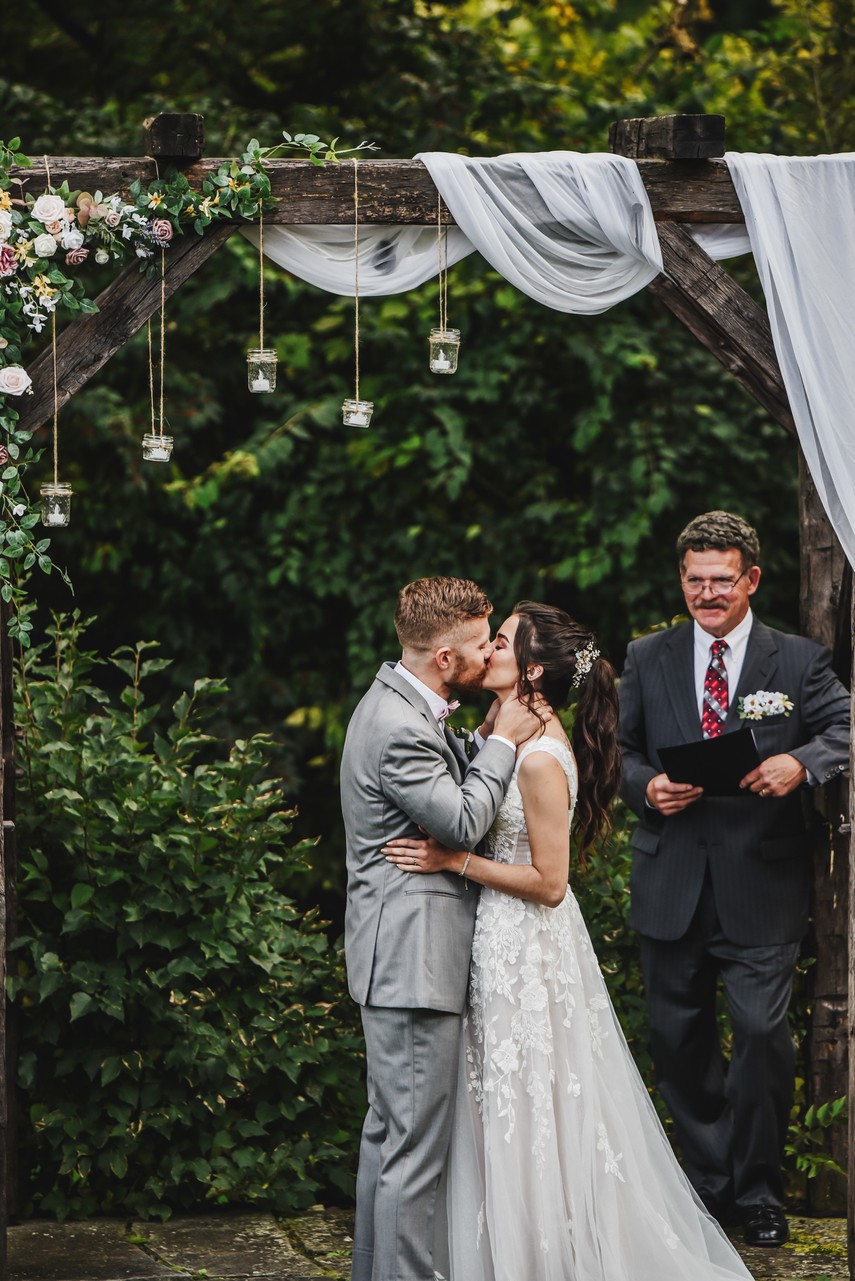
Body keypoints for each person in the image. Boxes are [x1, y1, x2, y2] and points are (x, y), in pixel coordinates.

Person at [385, 601, 754, 1281]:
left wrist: (453, 861)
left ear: (531, 669)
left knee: (530, 1104)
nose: (486, 651)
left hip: (527, 945)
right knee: (503, 1100)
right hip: (497, 939)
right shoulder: (505, 730)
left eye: (500, 642)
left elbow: (550, 882)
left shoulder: (539, 758)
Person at [618, 510, 850, 1248]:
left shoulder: (798, 661)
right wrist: (647, 786)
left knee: (759, 1038)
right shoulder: (647, 656)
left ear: (750, 579)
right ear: (681, 579)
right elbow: (617, 752)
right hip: (671, 879)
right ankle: (707, 1189)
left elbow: (845, 728)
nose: (707, 594)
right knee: (677, 1041)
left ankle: (757, 1193)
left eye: (721, 580)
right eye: (695, 580)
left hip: (761, 884)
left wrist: (800, 762)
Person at [341, 576, 546, 1281]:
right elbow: (460, 822)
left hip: (400, 956)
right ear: (445, 658)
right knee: (412, 1153)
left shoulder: (403, 704)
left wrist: (482, 739)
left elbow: (449, 781)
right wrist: (504, 742)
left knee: (388, 1140)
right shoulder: (399, 726)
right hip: (413, 961)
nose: (492, 652)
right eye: (483, 642)